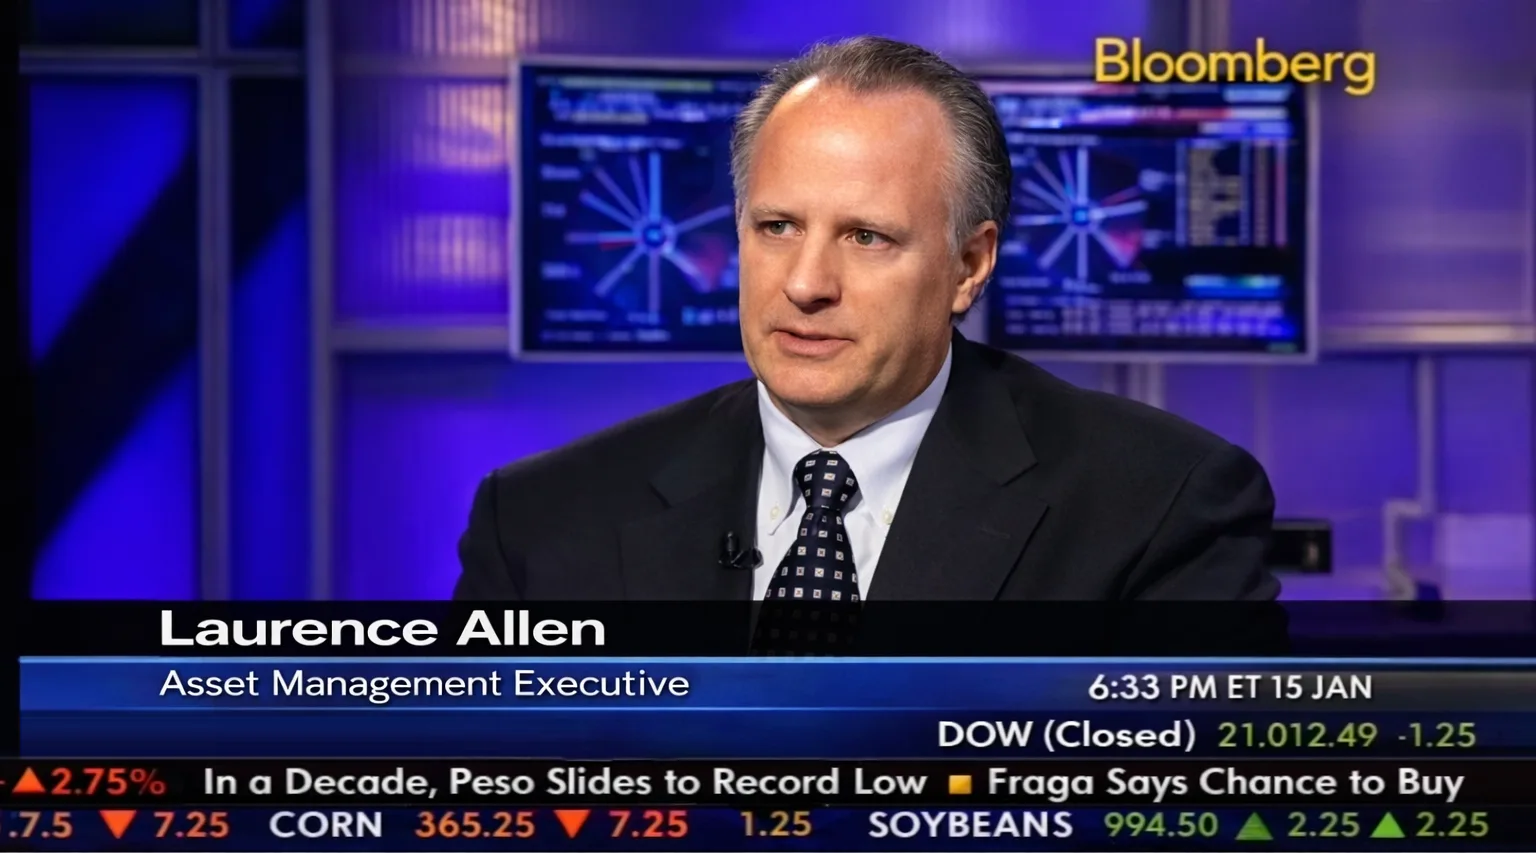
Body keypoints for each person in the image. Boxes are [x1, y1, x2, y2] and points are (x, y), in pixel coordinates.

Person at [455, 36, 1280, 605]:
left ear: (969, 264)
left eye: (866, 237)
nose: (806, 284)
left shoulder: (1162, 506)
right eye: (778, 227)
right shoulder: (538, 520)